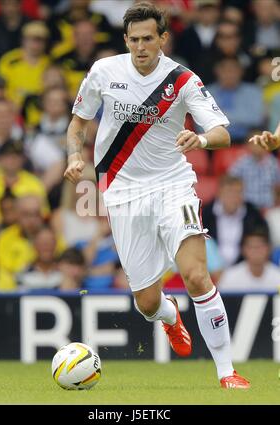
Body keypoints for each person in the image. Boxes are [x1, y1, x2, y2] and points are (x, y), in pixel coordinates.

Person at [64, 2, 249, 388]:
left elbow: (222, 133)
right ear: (125, 40)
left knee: (197, 276)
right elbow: (78, 122)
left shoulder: (182, 80)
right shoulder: (103, 71)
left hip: (171, 184)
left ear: (163, 38)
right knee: (147, 303)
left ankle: (227, 372)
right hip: (122, 191)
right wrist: (74, 155)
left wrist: (198, 137)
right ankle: (169, 316)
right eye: (134, 39)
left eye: (149, 38)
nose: (141, 46)